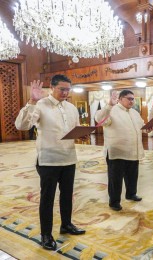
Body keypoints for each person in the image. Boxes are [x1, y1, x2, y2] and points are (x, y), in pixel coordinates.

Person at [15, 75, 85, 251]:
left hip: (69, 157)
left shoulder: (71, 107)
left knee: (67, 194)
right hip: (48, 160)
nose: (65, 92)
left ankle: (66, 224)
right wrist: (31, 101)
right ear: (52, 88)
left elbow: (74, 129)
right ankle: (46, 234)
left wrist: (81, 133)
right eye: (62, 89)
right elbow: (22, 125)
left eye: (68, 89)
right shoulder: (40, 104)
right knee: (47, 198)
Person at [95, 90, 147, 211]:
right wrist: (109, 105)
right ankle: (114, 201)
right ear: (120, 99)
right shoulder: (111, 110)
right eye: (129, 98)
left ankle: (131, 194)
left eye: (133, 99)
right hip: (117, 151)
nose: (131, 101)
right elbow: (100, 119)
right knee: (115, 179)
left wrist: (146, 129)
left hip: (133, 149)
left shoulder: (134, 112)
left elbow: (141, 126)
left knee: (132, 175)